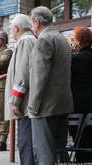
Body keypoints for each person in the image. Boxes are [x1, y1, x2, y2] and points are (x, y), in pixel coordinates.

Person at [27, 6, 73, 164]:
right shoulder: (62, 39)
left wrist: (33, 105)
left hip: (46, 107)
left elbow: (39, 76)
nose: (32, 28)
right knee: (60, 152)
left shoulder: (44, 40)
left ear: (37, 22)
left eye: (32, 24)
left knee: (44, 153)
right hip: (63, 105)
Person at [4, 14, 36, 165]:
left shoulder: (25, 41)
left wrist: (16, 101)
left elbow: (22, 74)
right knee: (27, 143)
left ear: (16, 28)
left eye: (12, 29)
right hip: (28, 102)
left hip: (24, 105)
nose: (11, 32)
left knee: (26, 143)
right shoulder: (30, 40)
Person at [70, 26, 92, 162]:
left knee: (79, 137)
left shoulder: (76, 59)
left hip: (78, 103)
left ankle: (81, 159)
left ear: (79, 41)